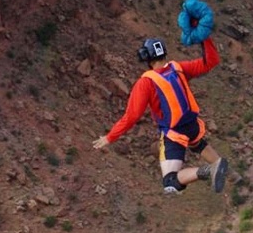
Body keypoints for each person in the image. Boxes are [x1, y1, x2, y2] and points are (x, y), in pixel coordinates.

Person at [92, 36, 229, 194]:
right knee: (197, 143)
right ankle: (229, 172)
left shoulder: (146, 83)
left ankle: (209, 170)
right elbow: (211, 61)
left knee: (170, 182)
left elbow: (132, 116)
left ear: (146, 57)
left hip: (174, 132)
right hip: (192, 124)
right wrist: (205, 37)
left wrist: (109, 137)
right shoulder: (178, 69)